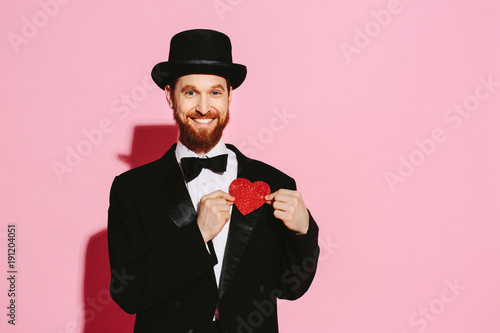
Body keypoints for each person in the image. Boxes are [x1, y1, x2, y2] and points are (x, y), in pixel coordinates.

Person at [107, 29, 319, 333]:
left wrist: (304, 232)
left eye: (215, 92)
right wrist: (197, 235)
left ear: (230, 95)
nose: (204, 108)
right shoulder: (132, 190)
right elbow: (128, 294)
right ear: (170, 96)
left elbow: (291, 287)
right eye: (191, 92)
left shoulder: (273, 182)